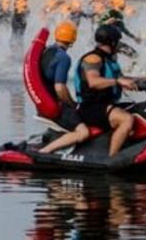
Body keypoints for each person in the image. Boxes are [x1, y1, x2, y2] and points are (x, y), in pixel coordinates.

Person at [74, 24, 139, 157]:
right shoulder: (93, 59)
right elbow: (93, 82)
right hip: (90, 108)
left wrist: (145, 82)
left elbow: (122, 78)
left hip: (105, 105)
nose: (120, 45)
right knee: (126, 119)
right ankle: (112, 158)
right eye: (118, 42)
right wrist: (118, 81)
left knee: (140, 110)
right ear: (113, 42)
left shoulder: (109, 59)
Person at [38, 22, 90, 154]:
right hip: (55, 105)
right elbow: (60, 88)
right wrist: (73, 104)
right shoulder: (63, 58)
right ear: (73, 39)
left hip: (43, 102)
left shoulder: (48, 51)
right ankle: (45, 151)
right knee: (83, 132)